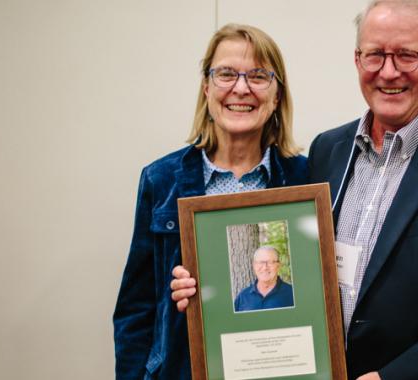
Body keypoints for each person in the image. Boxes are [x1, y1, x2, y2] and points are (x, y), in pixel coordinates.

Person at [174, 1, 418, 379]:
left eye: (407, 55)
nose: (389, 71)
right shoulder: (328, 150)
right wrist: (205, 286)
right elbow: (305, 272)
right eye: (375, 54)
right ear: (357, 60)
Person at [113, 24, 307, 380]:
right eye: (226, 74)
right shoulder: (161, 180)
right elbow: (135, 311)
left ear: (277, 95)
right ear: (206, 87)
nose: (241, 88)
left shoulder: (307, 180)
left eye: (259, 76)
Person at [233, 246, 294, 312]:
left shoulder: (292, 294)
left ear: (278, 265)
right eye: (261, 262)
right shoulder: (243, 296)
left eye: (270, 262)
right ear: (254, 265)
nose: (265, 267)